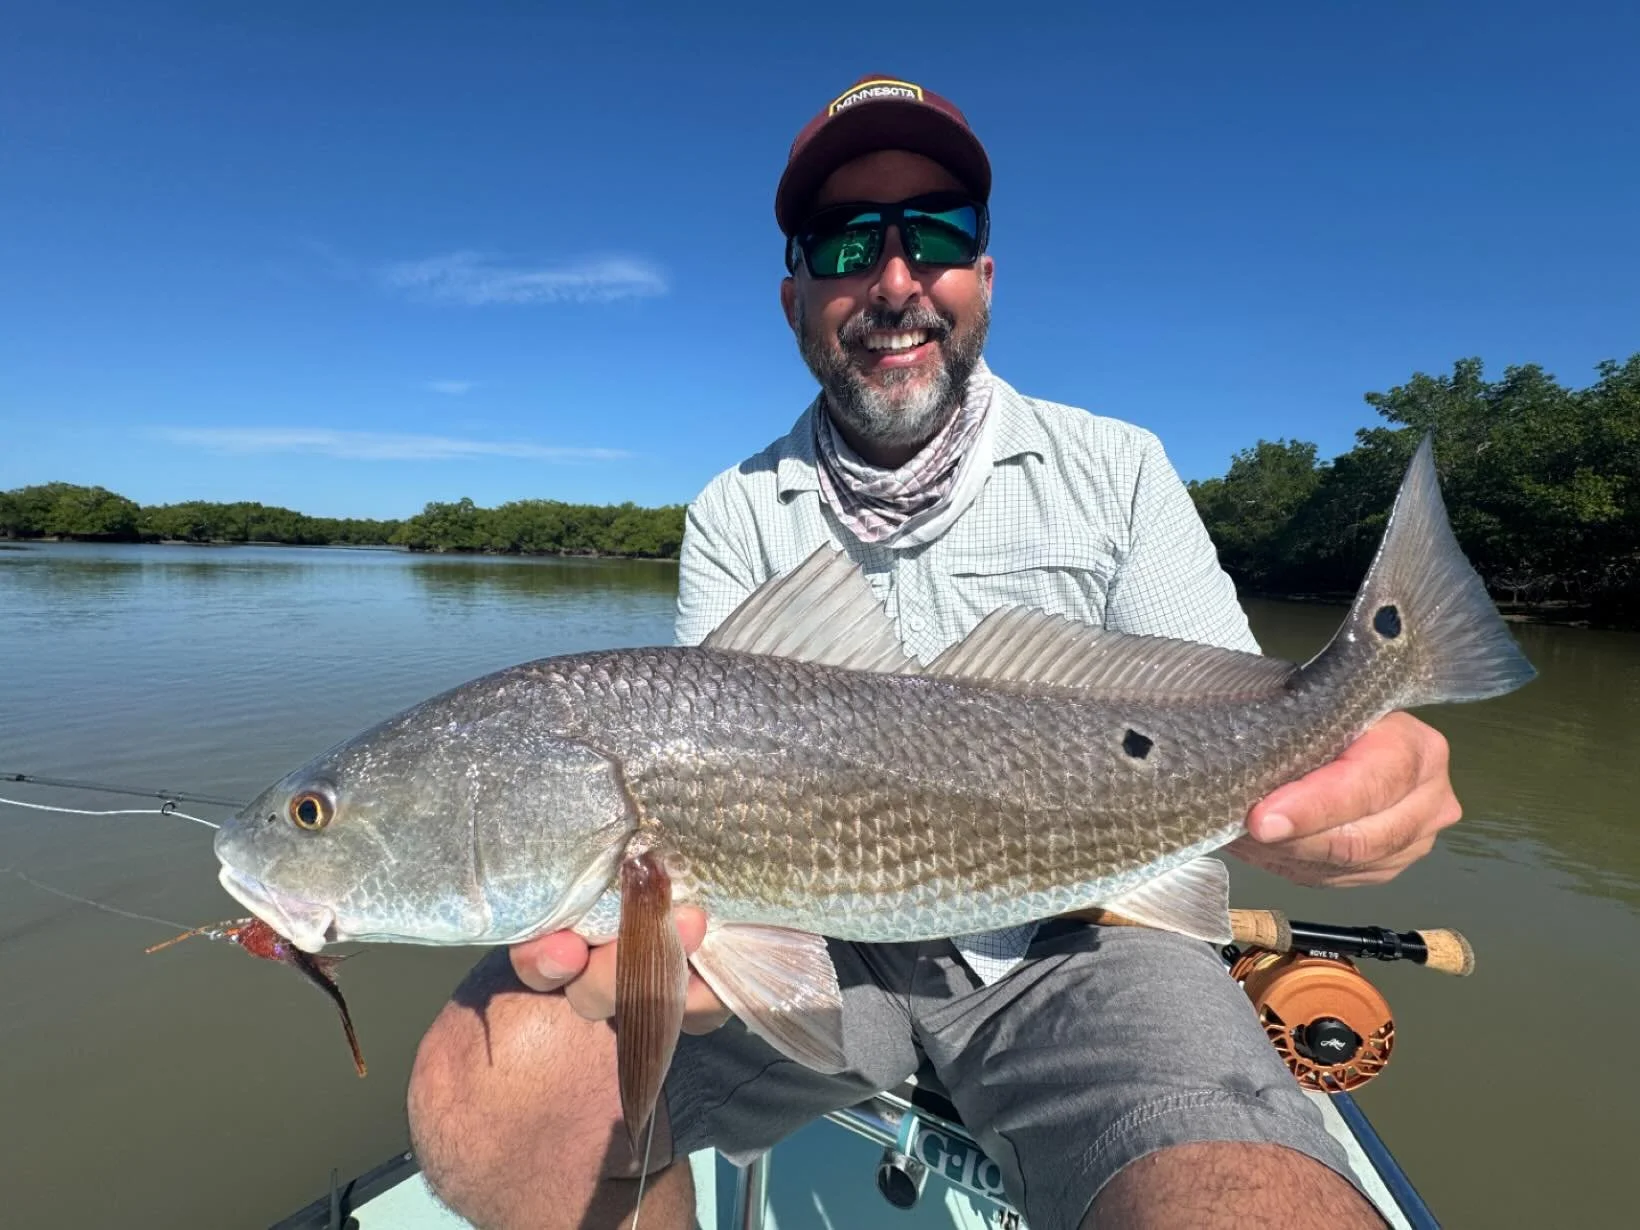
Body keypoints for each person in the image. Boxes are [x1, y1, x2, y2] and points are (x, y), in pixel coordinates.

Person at [408, 75, 1459, 1230]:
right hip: (816, 929)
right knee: (483, 1096)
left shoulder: (1117, 466)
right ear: (794, 298)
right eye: (846, 242)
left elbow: (1247, 712)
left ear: (983, 276)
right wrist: (678, 954)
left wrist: (1350, 759)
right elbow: (716, 817)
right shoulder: (732, 510)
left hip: (1087, 932)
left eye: (938, 233)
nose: (895, 279)